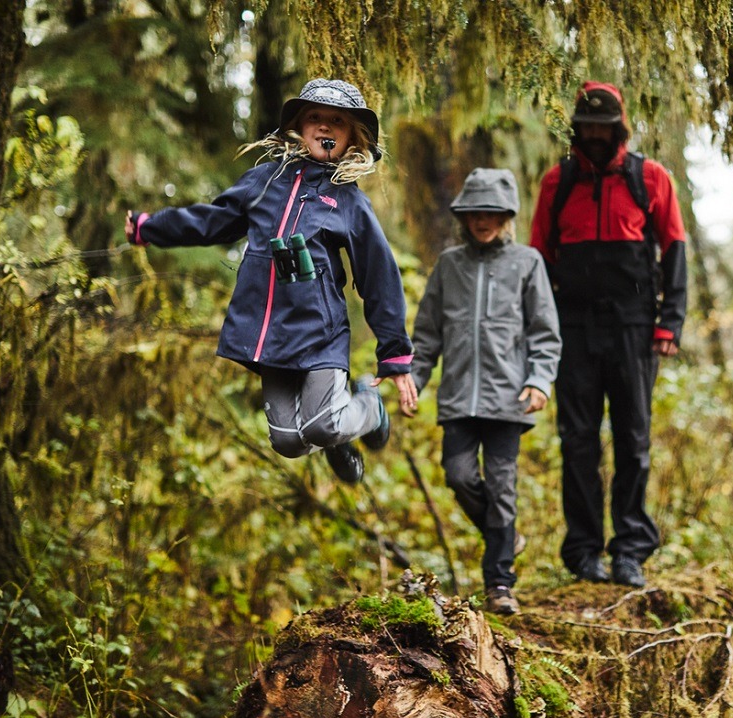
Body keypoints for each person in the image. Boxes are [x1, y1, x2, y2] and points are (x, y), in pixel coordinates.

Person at [125, 78, 418, 484]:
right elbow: (211, 222)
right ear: (298, 125)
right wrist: (149, 228)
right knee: (288, 441)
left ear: (353, 137)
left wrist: (396, 356)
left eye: (338, 121)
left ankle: (370, 407)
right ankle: (338, 437)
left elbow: (379, 275)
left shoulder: (349, 201)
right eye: (315, 117)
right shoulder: (264, 180)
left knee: (322, 425)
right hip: (272, 335)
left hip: (320, 334)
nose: (325, 127)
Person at [529, 81, 688, 588]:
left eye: (604, 126)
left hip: (635, 327)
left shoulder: (651, 178)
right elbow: (538, 259)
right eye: (587, 127)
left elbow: (675, 249)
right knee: (577, 441)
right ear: (577, 130)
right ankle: (582, 552)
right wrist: (539, 328)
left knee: (633, 440)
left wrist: (671, 321)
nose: (595, 135)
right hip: (572, 328)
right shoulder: (558, 182)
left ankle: (630, 551)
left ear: (619, 129)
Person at [406, 168, 561, 615]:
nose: (483, 220)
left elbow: (545, 334)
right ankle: (506, 536)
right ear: (464, 216)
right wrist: (414, 381)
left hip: (508, 397)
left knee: (503, 486)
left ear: (506, 216)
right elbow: (427, 334)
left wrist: (538, 380)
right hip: (458, 396)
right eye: (475, 212)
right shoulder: (448, 266)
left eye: (492, 212)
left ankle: (499, 583)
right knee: (458, 476)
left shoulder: (527, 263)